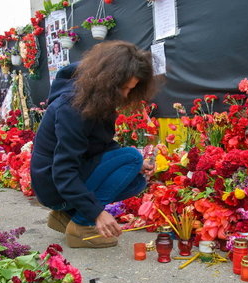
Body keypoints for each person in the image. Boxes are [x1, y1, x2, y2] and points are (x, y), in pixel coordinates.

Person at [30, 41, 157, 248]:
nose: (126, 95)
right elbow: (63, 171)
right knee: (132, 157)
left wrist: (136, 164)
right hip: (53, 187)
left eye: (131, 89)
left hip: (62, 184)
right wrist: (97, 213)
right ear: (108, 81)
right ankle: (81, 225)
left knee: (137, 180)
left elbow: (100, 144)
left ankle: (65, 216)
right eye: (124, 88)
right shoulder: (72, 107)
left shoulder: (95, 99)